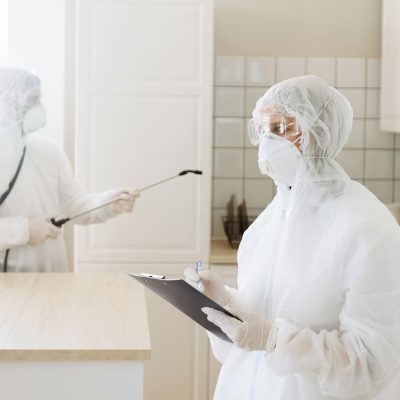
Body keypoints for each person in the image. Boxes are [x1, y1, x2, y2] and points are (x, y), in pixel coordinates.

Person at [185, 75, 400, 399]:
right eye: (262, 130)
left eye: (280, 129)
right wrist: (224, 303)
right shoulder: (270, 222)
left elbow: (373, 364)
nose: (266, 143)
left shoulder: (366, 226)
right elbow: (258, 324)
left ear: (318, 133)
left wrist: (274, 341)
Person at [0, 67, 140, 272]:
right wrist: (25, 230)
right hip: (9, 287)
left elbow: (74, 206)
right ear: (7, 102)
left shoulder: (47, 151)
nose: (39, 107)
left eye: (39, 99)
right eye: (32, 99)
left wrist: (109, 202)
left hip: (54, 277)